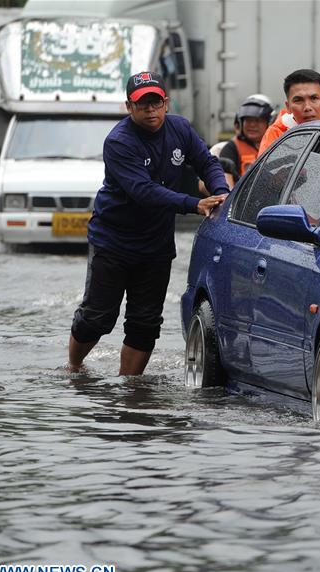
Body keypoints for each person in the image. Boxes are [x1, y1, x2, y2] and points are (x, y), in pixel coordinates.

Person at [67, 71, 229, 376]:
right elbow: (143, 191)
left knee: (145, 322)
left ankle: (130, 387)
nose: (151, 111)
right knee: (98, 317)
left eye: (156, 103)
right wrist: (193, 204)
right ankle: (74, 367)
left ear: (166, 103)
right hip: (113, 241)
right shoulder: (119, 141)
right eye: (143, 105)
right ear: (129, 107)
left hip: (155, 244)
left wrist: (221, 192)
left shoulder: (180, 128)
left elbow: (207, 162)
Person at [258, 69, 320, 155]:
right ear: (288, 107)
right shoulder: (276, 135)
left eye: (314, 98)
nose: (307, 107)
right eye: (298, 100)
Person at [219, 94, 275, 178]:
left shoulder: (278, 144)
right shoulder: (231, 148)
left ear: (269, 122)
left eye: (258, 120)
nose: (252, 125)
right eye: (248, 120)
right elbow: (225, 183)